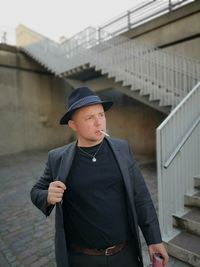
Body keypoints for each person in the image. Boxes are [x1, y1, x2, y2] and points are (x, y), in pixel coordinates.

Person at [30, 86, 169, 267]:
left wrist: (154, 240)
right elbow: (36, 191)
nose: (99, 123)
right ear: (73, 125)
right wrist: (47, 197)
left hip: (124, 255)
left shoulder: (121, 149)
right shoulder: (57, 158)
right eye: (89, 117)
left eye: (101, 115)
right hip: (82, 259)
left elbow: (140, 197)